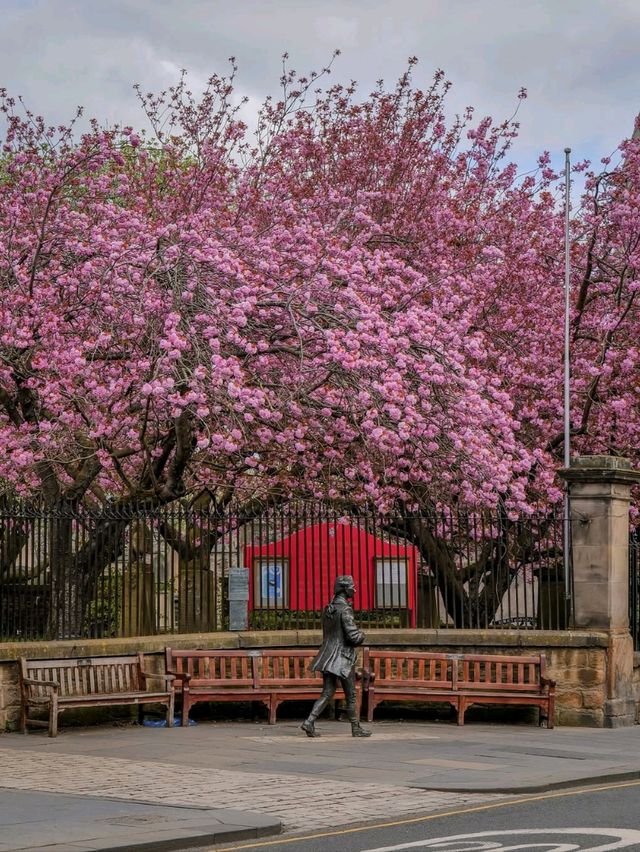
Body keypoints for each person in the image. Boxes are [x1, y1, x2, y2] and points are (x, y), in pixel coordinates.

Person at [301, 574, 372, 738]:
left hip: (327, 656)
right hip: (342, 657)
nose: (355, 589)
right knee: (351, 694)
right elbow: (353, 636)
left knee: (327, 692)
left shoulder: (329, 609)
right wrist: (362, 635)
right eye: (352, 586)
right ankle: (356, 728)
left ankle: (309, 721)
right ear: (345, 589)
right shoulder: (345, 609)